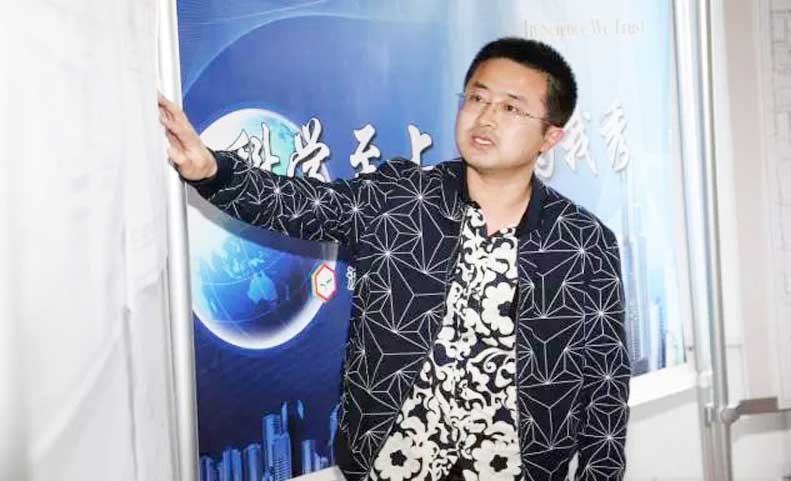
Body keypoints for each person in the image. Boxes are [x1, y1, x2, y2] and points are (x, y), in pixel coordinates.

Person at [160, 37, 630, 481]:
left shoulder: (583, 243)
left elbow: (604, 388)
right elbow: (307, 205)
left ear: (550, 137)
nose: (486, 117)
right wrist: (212, 171)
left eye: (511, 108)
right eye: (477, 98)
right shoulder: (401, 199)